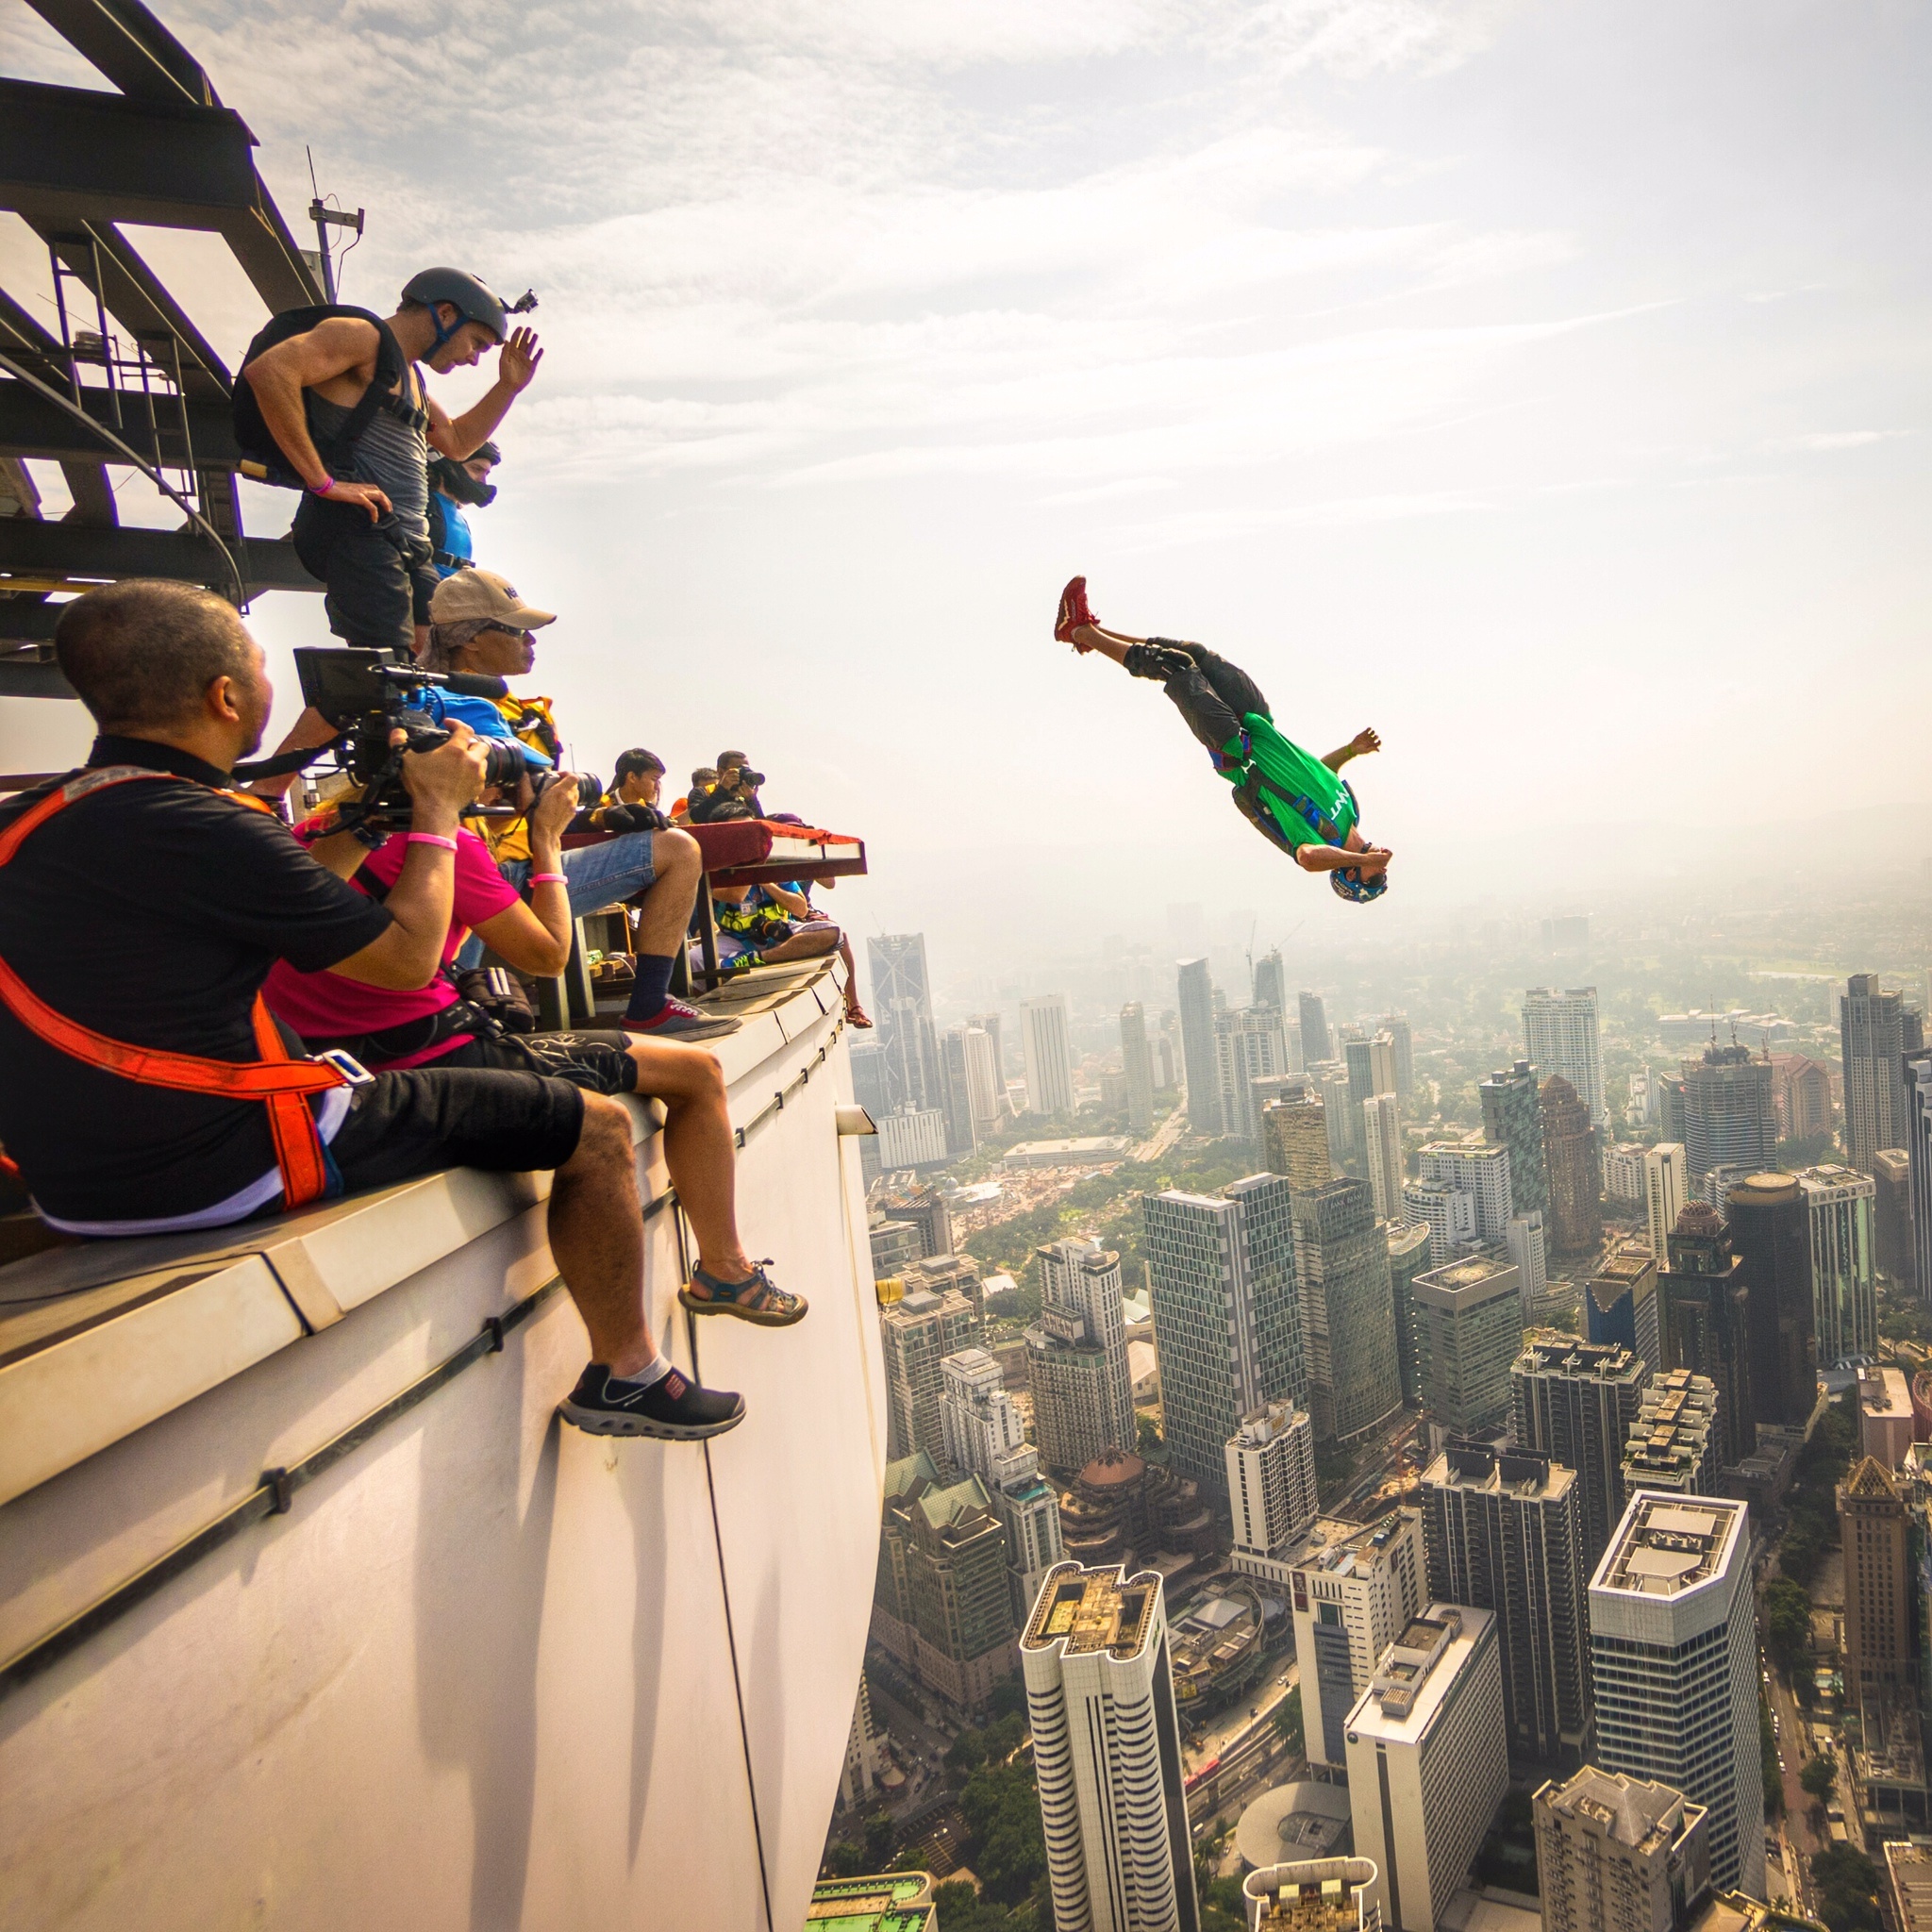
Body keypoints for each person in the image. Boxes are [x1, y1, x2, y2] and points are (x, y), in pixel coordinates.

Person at [0, 580, 777, 1438]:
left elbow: (293, 912)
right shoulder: (205, 825)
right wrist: (439, 814)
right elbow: (410, 964)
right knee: (591, 1128)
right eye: (260, 671)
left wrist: (374, 817)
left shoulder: (34, 823)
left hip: (72, 1188)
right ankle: (628, 1372)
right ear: (227, 698)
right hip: (221, 1164)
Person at [261, 775, 805, 1329]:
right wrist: (545, 838)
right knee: (698, 1072)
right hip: (433, 1055)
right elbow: (549, 954)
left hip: (335, 1070)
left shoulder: (313, 836)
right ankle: (721, 1272)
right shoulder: (445, 847)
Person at [419, 571, 738, 1041]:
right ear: (471, 643)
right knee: (678, 849)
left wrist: (601, 815)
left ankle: (647, 1005)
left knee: (677, 848)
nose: (530, 640)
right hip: (481, 876)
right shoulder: (463, 706)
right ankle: (646, 1006)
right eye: (514, 630)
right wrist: (589, 810)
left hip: (479, 867)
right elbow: (534, 794)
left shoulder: (462, 700)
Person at [241, 269, 541, 661]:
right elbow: (271, 371)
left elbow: (456, 443)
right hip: (362, 530)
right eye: (477, 343)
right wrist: (323, 482)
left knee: (423, 656)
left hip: (408, 540)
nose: (473, 358)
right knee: (384, 669)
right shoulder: (363, 337)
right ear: (446, 314)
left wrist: (507, 388)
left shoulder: (410, 376)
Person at [1054, 575, 1392, 901]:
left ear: (1350, 875)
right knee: (1196, 654)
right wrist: (1351, 750)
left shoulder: (1319, 840)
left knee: (1175, 667)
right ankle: (1089, 634)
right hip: (1260, 724)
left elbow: (1307, 859)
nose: (1380, 869)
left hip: (1235, 748)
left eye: (1374, 878)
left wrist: (1360, 860)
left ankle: (1080, 630)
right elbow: (1320, 773)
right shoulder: (1351, 811)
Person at [708, 880, 872, 1026]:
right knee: (695, 961)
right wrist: (750, 874)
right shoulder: (721, 873)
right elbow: (736, 895)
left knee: (835, 933)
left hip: (779, 933)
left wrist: (768, 883)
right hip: (735, 938)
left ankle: (755, 959)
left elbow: (802, 908)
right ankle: (709, 1015)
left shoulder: (775, 872)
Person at [426, 440, 499, 578]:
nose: (483, 482)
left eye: (486, 474)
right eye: (476, 469)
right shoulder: (422, 505)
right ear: (449, 465)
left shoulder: (460, 517)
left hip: (454, 596)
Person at [577, 748, 670, 834]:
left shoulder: (650, 811)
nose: (657, 787)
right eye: (654, 779)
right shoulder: (599, 808)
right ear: (632, 777)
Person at [687, 750, 764, 824]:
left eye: (747, 770)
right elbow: (698, 818)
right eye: (740, 770)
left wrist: (752, 800)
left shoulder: (744, 796)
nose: (744, 773)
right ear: (720, 772)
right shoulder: (702, 792)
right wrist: (723, 790)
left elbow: (761, 825)